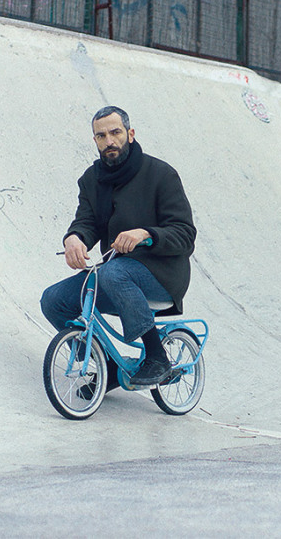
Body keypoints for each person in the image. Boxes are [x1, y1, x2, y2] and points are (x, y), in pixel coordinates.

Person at [40, 106, 196, 386]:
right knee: (54, 300)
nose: (109, 141)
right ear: (95, 141)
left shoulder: (161, 174)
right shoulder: (92, 180)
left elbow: (185, 235)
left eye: (115, 132)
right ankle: (108, 366)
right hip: (116, 278)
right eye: (101, 136)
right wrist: (74, 238)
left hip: (162, 276)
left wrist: (145, 233)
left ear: (130, 134)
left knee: (112, 273)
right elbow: (87, 222)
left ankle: (157, 356)